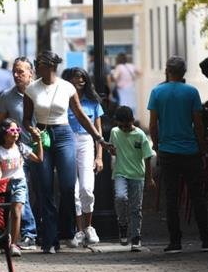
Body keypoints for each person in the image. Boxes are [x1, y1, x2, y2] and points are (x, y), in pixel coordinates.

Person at [22, 50, 111, 254]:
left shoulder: (67, 87)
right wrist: (31, 129)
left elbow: (80, 115)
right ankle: (49, 239)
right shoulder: (31, 89)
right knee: (44, 188)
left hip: (64, 135)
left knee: (68, 186)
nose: (37, 68)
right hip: (42, 135)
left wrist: (99, 139)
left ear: (51, 66)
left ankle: (66, 231)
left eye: (40, 64)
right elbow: (26, 119)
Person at [147, 56, 208, 253]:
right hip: (190, 151)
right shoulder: (192, 92)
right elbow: (198, 124)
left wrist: (157, 146)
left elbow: (153, 124)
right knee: (197, 196)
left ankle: (175, 241)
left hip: (168, 151)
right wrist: (201, 147)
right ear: (184, 72)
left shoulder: (157, 92)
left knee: (171, 197)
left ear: (167, 70)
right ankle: (206, 239)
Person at [0, 57, 39, 249]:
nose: (16, 75)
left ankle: (46, 233)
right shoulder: (6, 96)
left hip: (40, 148)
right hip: (17, 152)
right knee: (23, 192)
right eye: (14, 71)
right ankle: (29, 234)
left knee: (43, 191)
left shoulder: (40, 92)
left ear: (31, 73)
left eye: (21, 71)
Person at [61, 67, 104, 248]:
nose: (80, 81)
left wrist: (99, 156)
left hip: (87, 142)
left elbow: (98, 131)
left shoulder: (93, 102)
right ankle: (78, 230)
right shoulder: (62, 100)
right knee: (73, 190)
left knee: (86, 188)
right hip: (68, 140)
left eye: (83, 78)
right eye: (76, 78)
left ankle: (88, 227)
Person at [0, 118, 43, 257]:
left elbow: (39, 159)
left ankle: (14, 244)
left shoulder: (21, 147)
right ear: (4, 133)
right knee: (4, 214)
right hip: (4, 184)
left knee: (16, 212)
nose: (16, 133)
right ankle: (5, 240)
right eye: (12, 130)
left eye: (17, 130)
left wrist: (39, 141)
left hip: (20, 183)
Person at [109, 106, 154, 252]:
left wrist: (149, 178)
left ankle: (136, 237)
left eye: (126, 126)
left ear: (132, 121)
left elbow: (147, 157)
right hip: (120, 173)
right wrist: (111, 150)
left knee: (136, 208)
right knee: (120, 197)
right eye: (121, 126)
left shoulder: (140, 135)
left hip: (137, 175)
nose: (124, 129)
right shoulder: (114, 132)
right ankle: (122, 224)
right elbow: (112, 149)